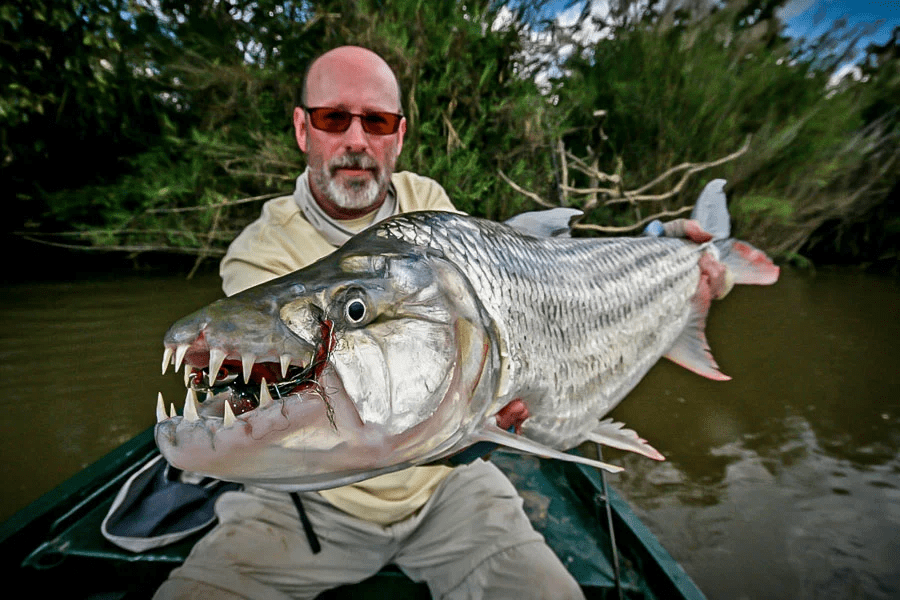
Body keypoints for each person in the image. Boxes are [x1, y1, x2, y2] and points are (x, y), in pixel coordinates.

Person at [153, 45, 587, 600]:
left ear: (398, 136)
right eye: (333, 118)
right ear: (302, 129)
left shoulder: (428, 203)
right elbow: (297, 395)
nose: (356, 141)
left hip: (447, 489)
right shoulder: (260, 251)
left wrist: (483, 418)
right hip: (311, 501)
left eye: (376, 121)